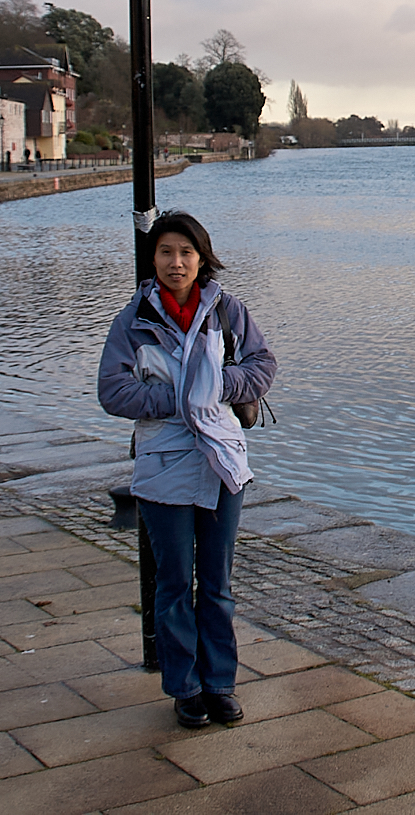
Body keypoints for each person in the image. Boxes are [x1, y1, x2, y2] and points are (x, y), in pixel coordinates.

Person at [96, 210, 276, 729]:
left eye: (186, 253)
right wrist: (177, 399)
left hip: (221, 463)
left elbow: (263, 364)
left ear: (201, 259)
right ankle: (185, 688)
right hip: (163, 464)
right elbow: (113, 390)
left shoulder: (228, 311)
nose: (176, 262)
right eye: (166, 252)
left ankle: (220, 684)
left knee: (217, 583)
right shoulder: (133, 321)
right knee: (174, 583)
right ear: (152, 259)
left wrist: (218, 387)